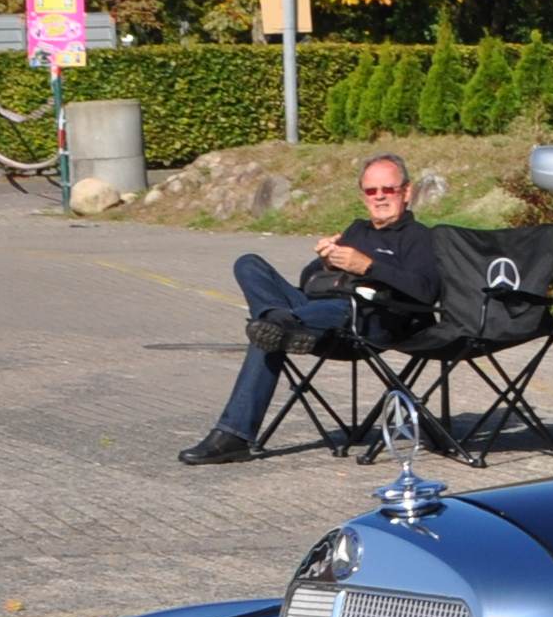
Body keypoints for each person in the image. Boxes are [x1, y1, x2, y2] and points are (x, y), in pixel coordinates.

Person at [179, 153, 446, 465]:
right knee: (249, 264)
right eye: (371, 191)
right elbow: (308, 283)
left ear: (406, 192)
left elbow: (426, 293)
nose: (380, 197)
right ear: (363, 195)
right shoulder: (357, 231)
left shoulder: (420, 238)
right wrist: (324, 261)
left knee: (271, 332)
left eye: (388, 189)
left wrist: (369, 266)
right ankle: (277, 319)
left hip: (365, 319)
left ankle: (234, 434)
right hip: (316, 313)